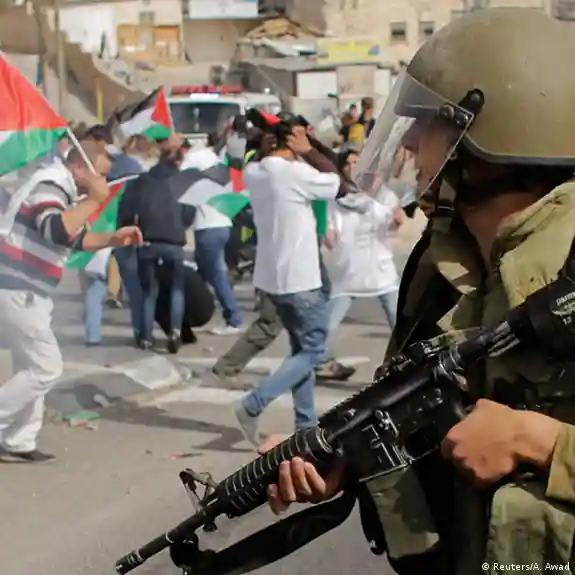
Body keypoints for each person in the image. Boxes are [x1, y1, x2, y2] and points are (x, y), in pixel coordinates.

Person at [258, 7, 575, 574]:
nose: (407, 141)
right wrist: (347, 459)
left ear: (491, 140)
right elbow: (421, 403)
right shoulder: (441, 260)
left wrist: (543, 443)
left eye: (428, 124)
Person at [0, 141, 141, 463]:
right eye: (101, 173)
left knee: (29, 366)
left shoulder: (65, 190)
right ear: (79, 167)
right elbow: (54, 229)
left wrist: (112, 238)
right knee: (44, 367)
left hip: (29, 290)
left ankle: (19, 440)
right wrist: (94, 200)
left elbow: (74, 238)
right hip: (18, 288)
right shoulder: (49, 185)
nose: (105, 181)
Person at [232, 126, 343, 445]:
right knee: (314, 351)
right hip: (301, 278)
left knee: (300, 349)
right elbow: (335, 181)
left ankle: (306, 425)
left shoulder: (254, 172)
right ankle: (253, 404)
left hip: (272, 280)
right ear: (289, 144)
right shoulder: (294, 173)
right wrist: (309, 150)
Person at [117, 133, 196, 353]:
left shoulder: (142, 180)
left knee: (149, 290)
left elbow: (126, 209)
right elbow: (190, 212)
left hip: (148, 239)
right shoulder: (184, 182)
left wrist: (127, 228)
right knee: (176, 288)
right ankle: (175, 331)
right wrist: (181, 225)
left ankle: (146, 336)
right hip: (174, 241)